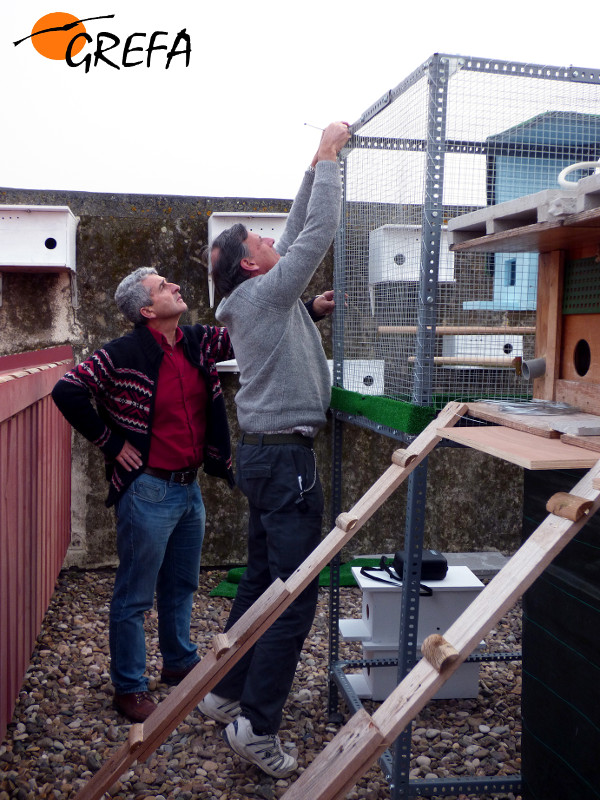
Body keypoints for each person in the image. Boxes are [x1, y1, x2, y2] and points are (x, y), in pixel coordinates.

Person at [199, 121, 351, 778]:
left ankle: (225, 688)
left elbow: (291, 234)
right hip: (283, 463)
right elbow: (314, 236)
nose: (272, 240)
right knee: (294, 593)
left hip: (263, 456)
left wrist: (313, 165)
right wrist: (327, 160)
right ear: (253, 265)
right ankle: (256, 727)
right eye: (261, 242)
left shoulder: (252, 290)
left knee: (263, 578)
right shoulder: (263, 289)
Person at [52, 267, 235, 723]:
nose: (175, 286)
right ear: (147, 309)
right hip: (148, 490)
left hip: (189, 487)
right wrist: (111, 443)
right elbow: (67, 390)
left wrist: (313, 309)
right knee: (135, 596)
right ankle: (129, 686)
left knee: (181, 585)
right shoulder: (121, 352)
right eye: (162, 286)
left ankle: (178, 662)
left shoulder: (196, 340)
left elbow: (247, 333)